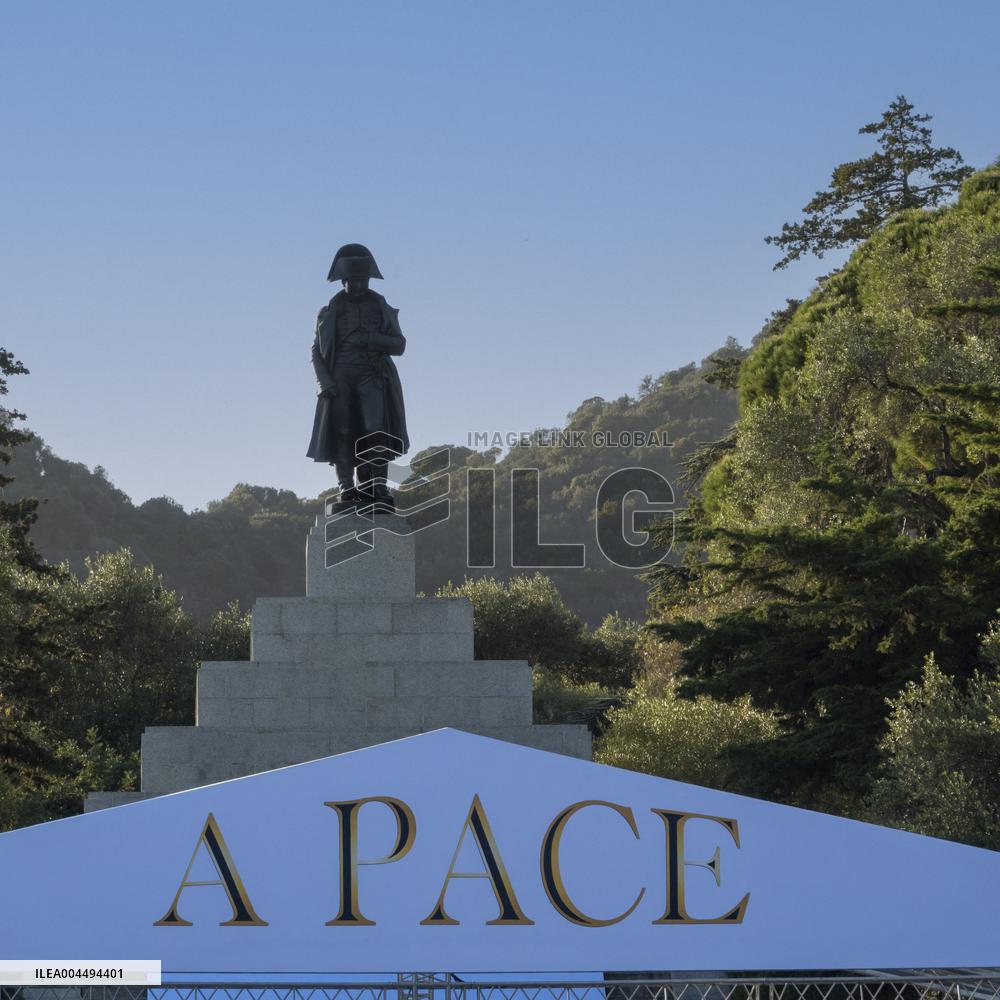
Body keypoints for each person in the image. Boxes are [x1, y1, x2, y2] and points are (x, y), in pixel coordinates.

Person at [306, 244, 409, 511]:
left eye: (363, 280)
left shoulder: (380, 306)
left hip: (372, 375)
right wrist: (324, 382)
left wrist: (371, 340)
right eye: (354, 281)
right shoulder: (328, 311)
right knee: (343, 430)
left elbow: (399, 344)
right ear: (343, 282)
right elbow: (316, 349)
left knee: (375, 431)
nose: (359, 285)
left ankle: (375, 487)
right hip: (340, 375)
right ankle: (346, 486)